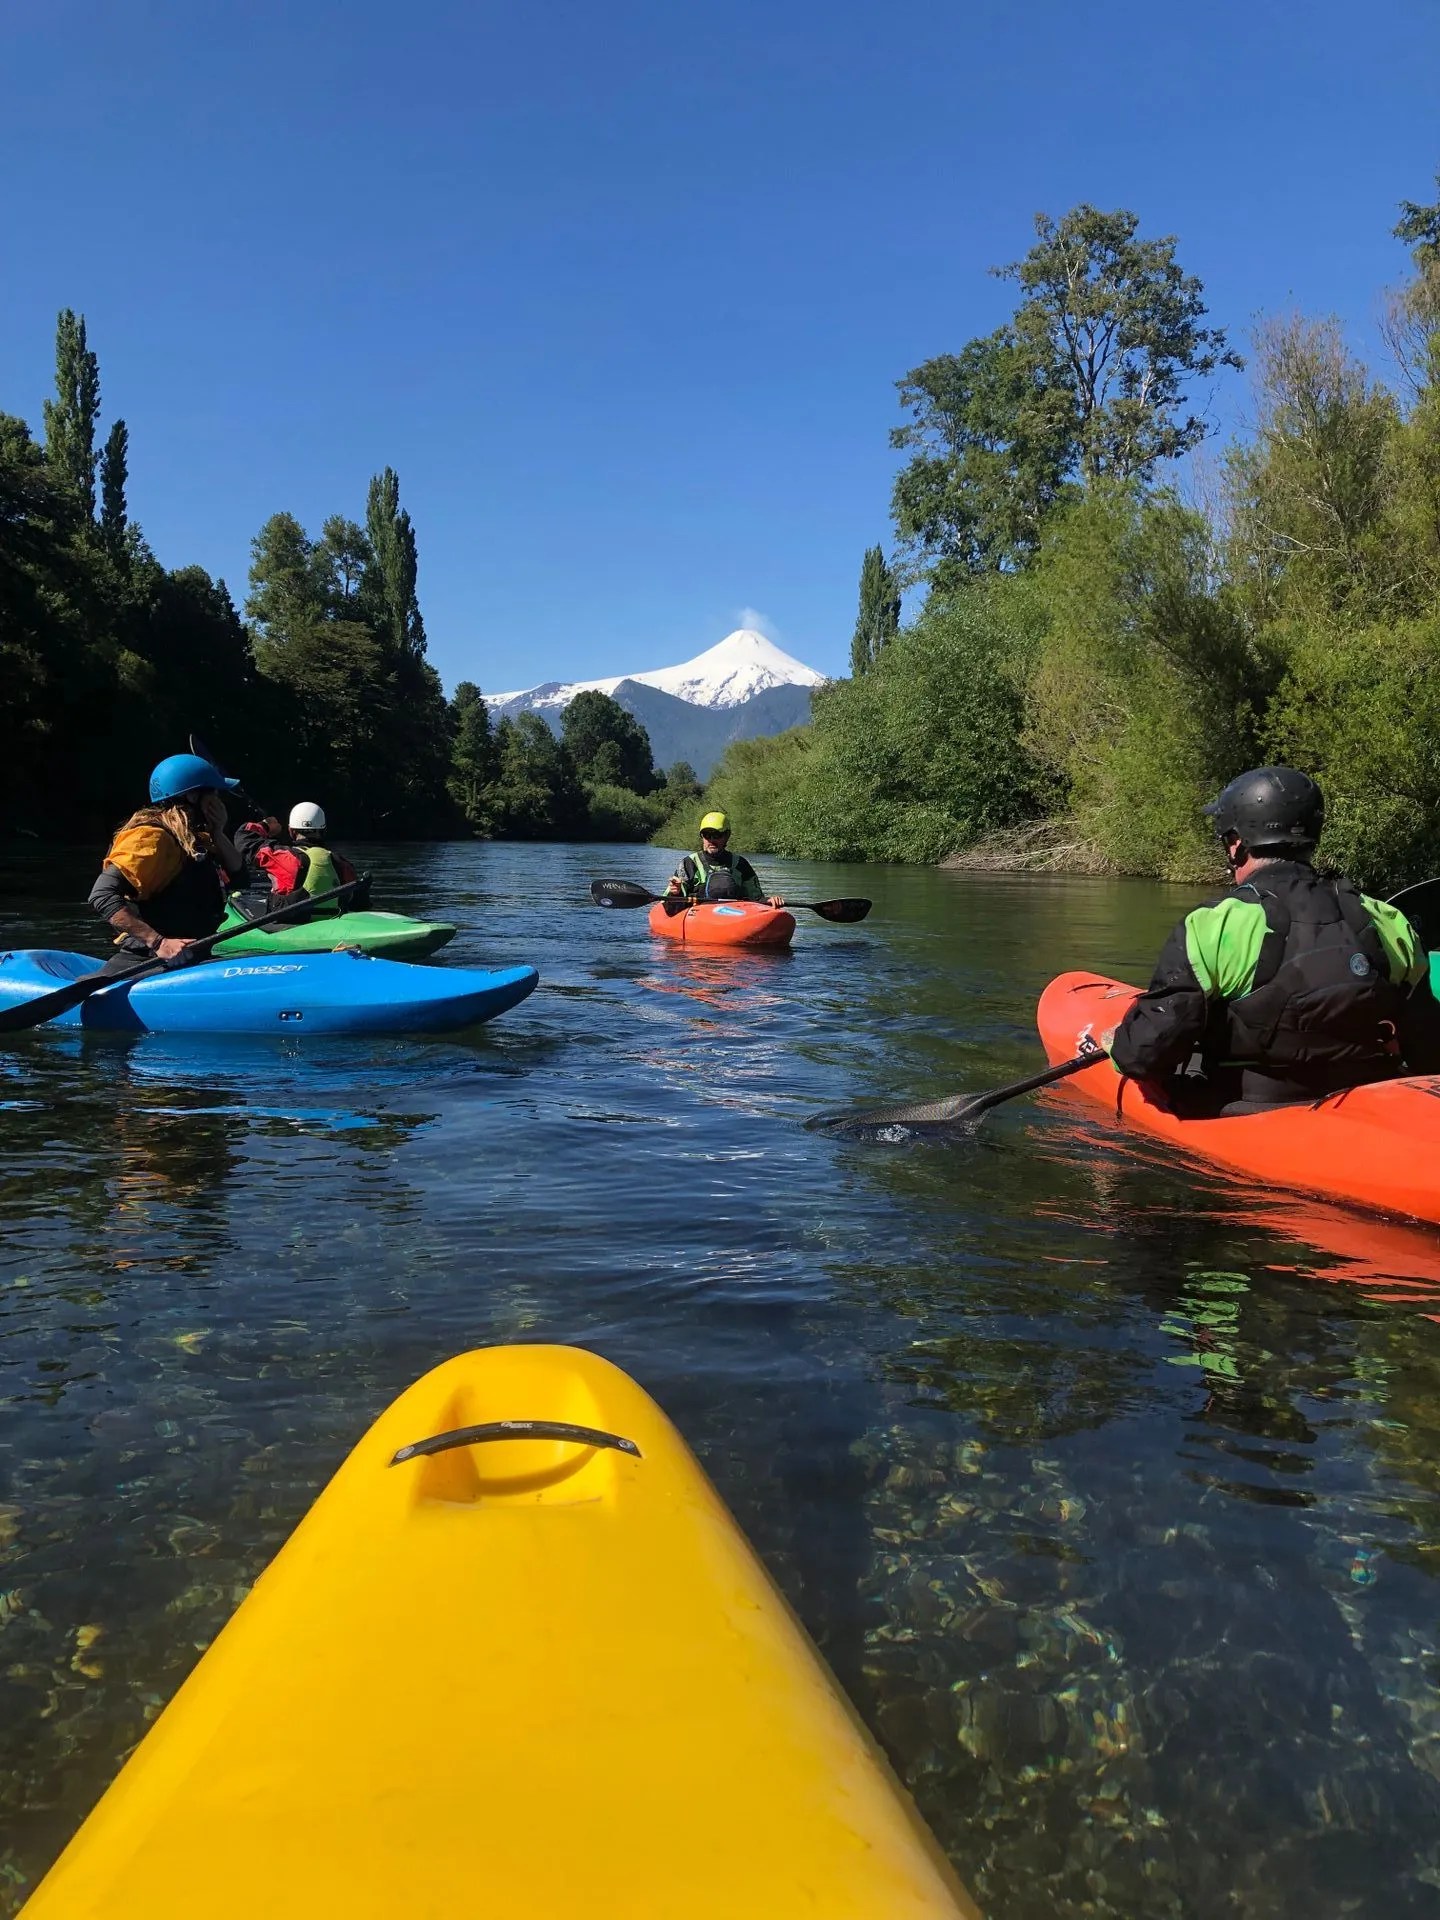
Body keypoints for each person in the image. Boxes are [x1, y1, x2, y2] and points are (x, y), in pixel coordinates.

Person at [1108, 765, 1440, 1111]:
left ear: (1237, 845)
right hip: (1369, 1106)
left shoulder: (1214, 924)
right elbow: (1429, 1049)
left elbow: (1143, 1057)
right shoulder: (1386, 919)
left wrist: (1116, 1047)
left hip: (1250, 1112)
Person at [88, 754, 245, 963]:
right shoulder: (151, 839)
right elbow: (101, 895)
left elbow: (241, 878)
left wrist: (218, 832)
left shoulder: (195, 838)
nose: (219, 801)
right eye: (214, 793)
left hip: (194, 954)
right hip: (150, 959)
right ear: (192, 797)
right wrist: (158, 942)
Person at [665, 811, 785, 908]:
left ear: (727, 836)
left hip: (733, 915)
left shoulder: (740, 864)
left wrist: (770, 901)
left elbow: (757, 899)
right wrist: (675, 892)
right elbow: (669, 907)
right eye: (707, 835)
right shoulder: (689, 863)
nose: (711, 840)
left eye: (717, 835)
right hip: (699, 915)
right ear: (702, 837)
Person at [286, 803, 364, 909]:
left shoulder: (282, 857)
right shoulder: (342, 863)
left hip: (293, 921)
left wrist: (264, 826)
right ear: (324, 830)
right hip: (333, 920)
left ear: (291, 831)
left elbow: (256, 846)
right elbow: (360, 902)